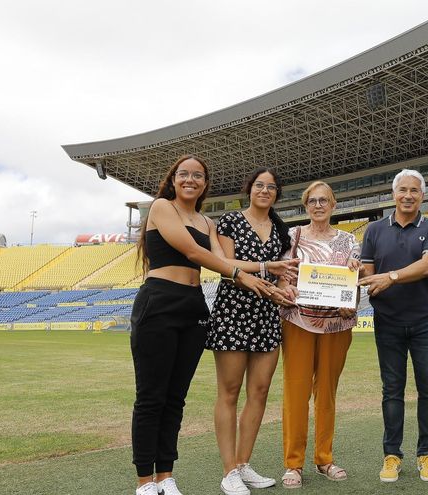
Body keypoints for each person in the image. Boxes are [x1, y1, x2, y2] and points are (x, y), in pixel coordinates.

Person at [130, 155, 276, 495]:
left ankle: (166, 476)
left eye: (198, 175)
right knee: (151, 397)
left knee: (176, 398)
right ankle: (144, 482)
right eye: (184, 174)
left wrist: (270, 269)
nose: (190, 180)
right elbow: (195, 254)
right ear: (174, 179)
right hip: (160, 302)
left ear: (205, 183)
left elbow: (223, 262)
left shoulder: (206, 221)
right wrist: (241, 275)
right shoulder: (162, 208)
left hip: (193, 307)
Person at [206, 167, 300, 495]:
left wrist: (285, 288)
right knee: (229, 392)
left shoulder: (280, 229)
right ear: (250, 189)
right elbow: (227, 267)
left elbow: (284, 273)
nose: (265, 190)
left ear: (277, 193)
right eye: (259, 185)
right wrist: (266, 269)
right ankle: (228, 470)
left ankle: (244, 465)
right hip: (233, 309)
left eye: (271, 187)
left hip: (266, 312)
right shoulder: (230, 221)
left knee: (259, 392)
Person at [358, 169, 428, 483]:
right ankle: (392, 455)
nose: (408, 195)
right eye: (402, 190)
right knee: (391, 392)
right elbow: (367, 273)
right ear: (394, 194)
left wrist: (390, 276)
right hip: (388, 321)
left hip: (424, 321)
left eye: (414, 191)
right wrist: (358, 274)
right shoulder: (373, 230)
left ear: (422, 195)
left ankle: (427, 454)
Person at [277, 181, 361, 488]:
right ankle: (293, 464)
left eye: (324, 200)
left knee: (326, 391)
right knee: (296, 391)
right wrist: (285, 287)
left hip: (335, 326)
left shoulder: (348, 241)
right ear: (306, 205)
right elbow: (281, 275)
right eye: (312, 200)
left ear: (334, 205)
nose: (318, 205)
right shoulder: (292, 237)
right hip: (297, 320)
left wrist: (349, 303)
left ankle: (324, 458)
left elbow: (354, 283)